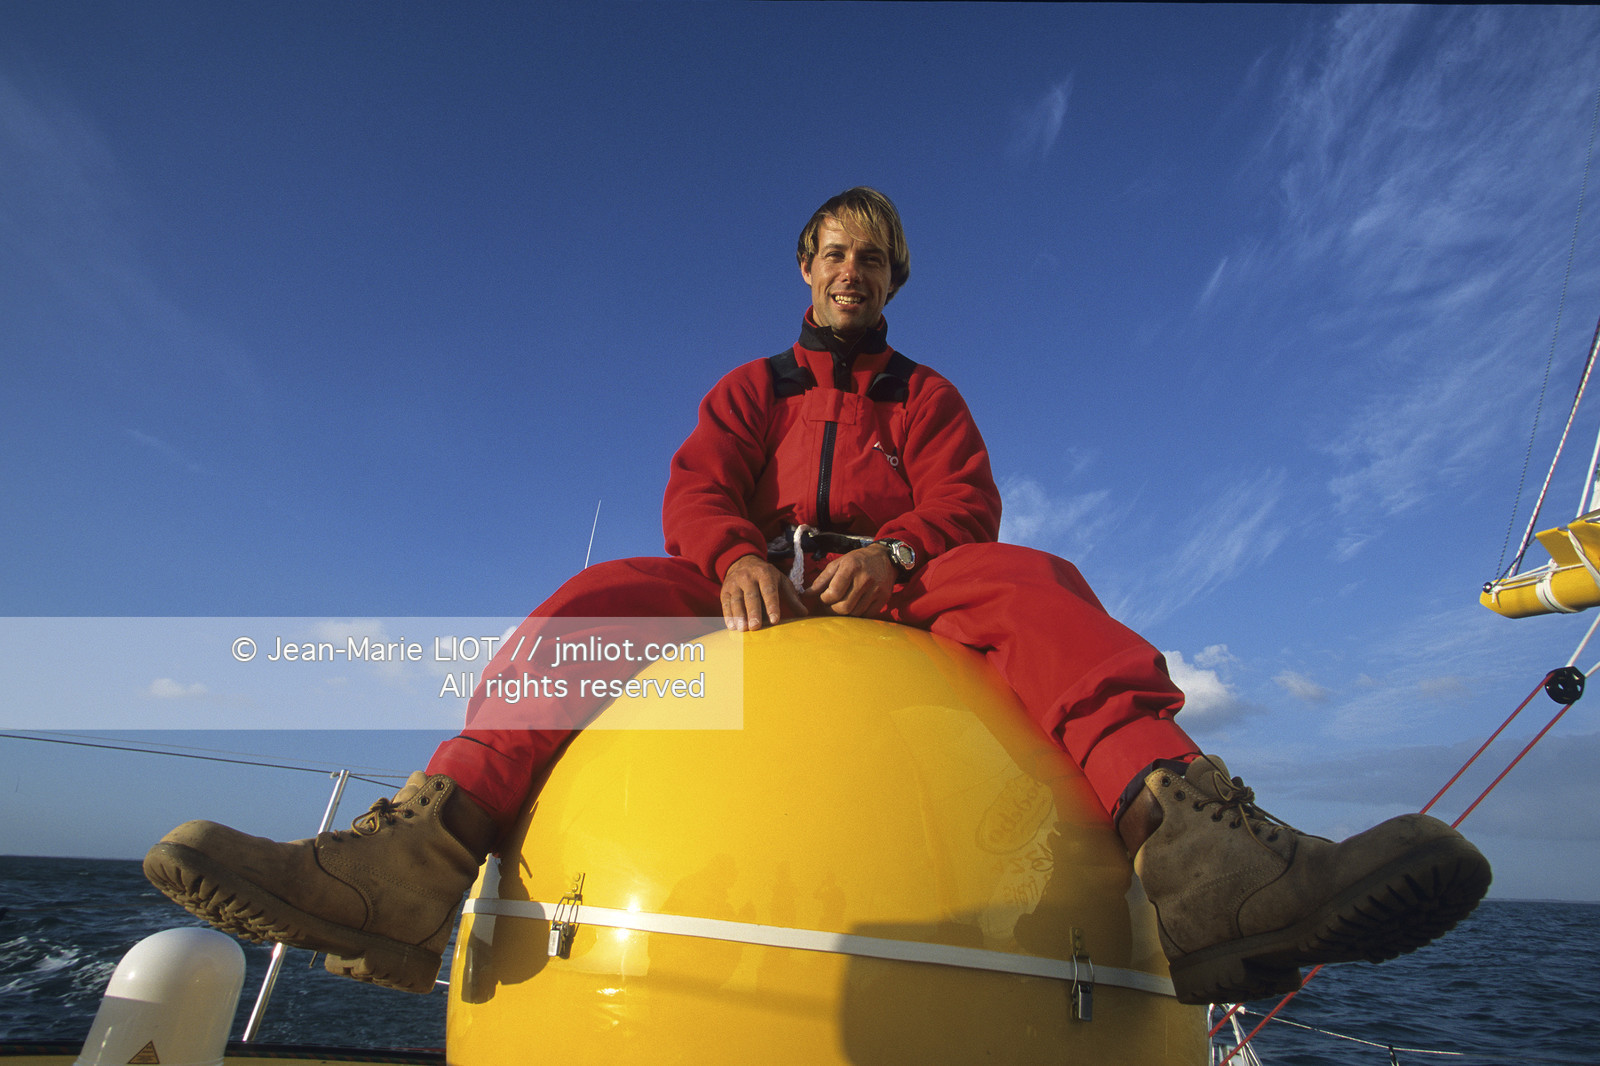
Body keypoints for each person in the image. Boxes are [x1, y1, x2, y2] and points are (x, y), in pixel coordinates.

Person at [145, 187, 1491, 1006]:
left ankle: (1205, 859)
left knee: (1030, 582)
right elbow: (696, 488)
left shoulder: (930, 398)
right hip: (755, 582)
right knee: (605, 590)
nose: (854, 271)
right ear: (806, 268)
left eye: (875, 259)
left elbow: (966, 504)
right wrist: (735, 555)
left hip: (900, 586)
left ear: (895, 282)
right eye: (836, 253)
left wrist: (897, 555)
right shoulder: (753, 390)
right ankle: (411, 863)